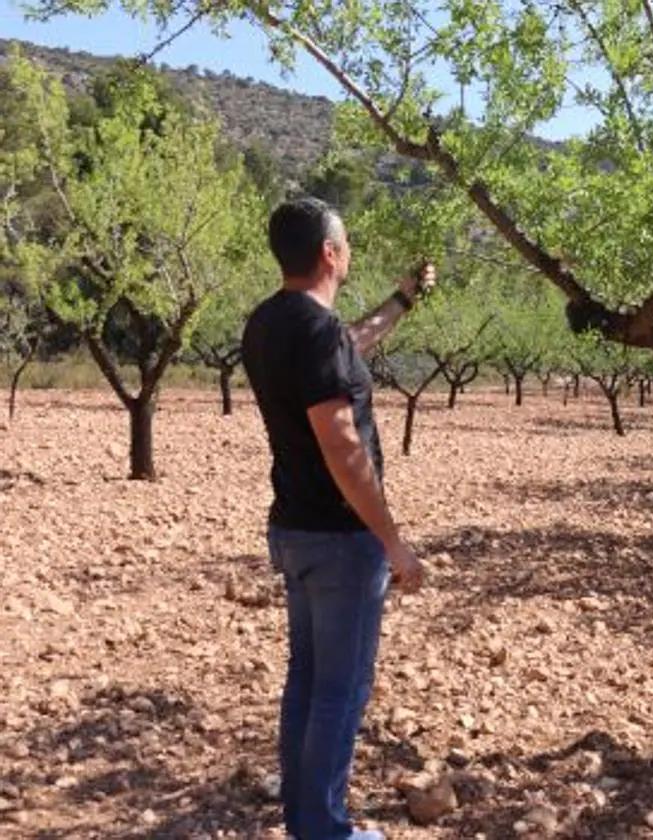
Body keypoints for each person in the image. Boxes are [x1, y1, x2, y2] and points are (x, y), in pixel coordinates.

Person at [241, 197, 432, 840]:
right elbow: (342, 445)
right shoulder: (316, 332)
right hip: (340, 540)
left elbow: (348, 345)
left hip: (294, 531)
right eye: (345, 242)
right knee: (339, 693)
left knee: (307, 684)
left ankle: (305, 819)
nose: (349, 251)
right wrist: (393, 542)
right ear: (330, 252)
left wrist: (402, 301)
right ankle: (325, 830)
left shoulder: (270, 322)